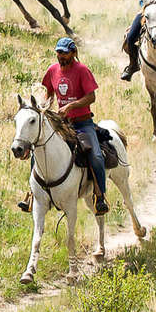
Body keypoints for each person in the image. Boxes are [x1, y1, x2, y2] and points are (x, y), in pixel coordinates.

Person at [19, 36, 108, 215]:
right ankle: (32, 194)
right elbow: (49, 93)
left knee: (96, 155)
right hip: (62, 124)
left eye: (65, 53)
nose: (61, 56)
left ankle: (100, 195)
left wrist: (71, 106)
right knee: (38, 150)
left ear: (73, 53)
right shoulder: (52, 70)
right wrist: (45, 106)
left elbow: (91, 97)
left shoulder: (82, 70)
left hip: (83, 123)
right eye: (59, 53)